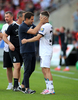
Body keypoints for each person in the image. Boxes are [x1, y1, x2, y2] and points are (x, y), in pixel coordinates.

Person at [21, 11, 55, 95]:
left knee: (47, 70)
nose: (39, 18)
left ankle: (51, 89)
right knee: (44, 69)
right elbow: (35, 31)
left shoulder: (45, 26)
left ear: (45, 18)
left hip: (46, 50)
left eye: (40, 17)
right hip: (45, 50)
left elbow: (37, 37)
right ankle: (48, 88)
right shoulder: (47, 26)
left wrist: (26, 40)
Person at [18, 11, 46, 94]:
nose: (33, 21)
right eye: (31, 19)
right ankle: (27, 89)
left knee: (32, 68)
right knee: (27, 70)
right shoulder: (22, 26)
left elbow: (37, 30)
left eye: (33, 19)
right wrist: (41, 22)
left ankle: (22, 85)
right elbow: (34, 32)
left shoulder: (30, 25)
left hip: (32, 50)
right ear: (26, 19)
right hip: (26, 51)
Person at [3, 10, 25, 91]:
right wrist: (9, 44)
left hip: (22, 49)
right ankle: (14, 85)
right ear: (19, 17)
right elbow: (4, 36)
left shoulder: (25, 26)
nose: (26, 18)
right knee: (15, 66)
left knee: (19, 67)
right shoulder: (12, 26)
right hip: (12, 49)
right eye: (24, 16)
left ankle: (18, 84)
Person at [1, 11, 14, 90]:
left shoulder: (16, 25)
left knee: (17, 67)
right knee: (8, 67)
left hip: (15, 49)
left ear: (12, 17)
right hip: (6, 49)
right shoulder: (4, 26)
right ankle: (10, 84)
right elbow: (3, 36)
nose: (6, 18)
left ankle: (17, 84)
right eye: (5, 17)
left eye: (7, 17)